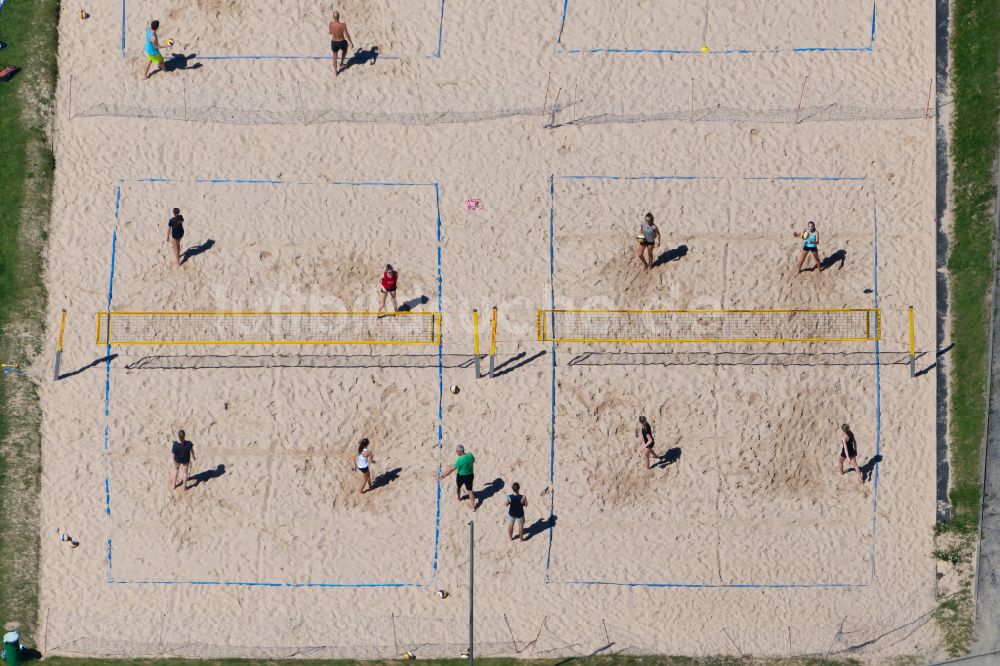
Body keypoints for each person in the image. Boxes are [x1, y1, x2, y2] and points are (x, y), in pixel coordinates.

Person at [438, 444, 476, 511]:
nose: (457, 453)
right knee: (470, 491)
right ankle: (473, 507)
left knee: (458, 487)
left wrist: (442, 477)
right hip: (470, 475)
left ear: (460, 451)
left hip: (461, 476)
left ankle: (459, 498)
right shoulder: (470, 455)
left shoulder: (460, 459)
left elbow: (451, 470)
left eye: (457, 451)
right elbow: (473, 460)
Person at [329, 11, 354, 76]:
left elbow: (330, 32)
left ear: (333, 17)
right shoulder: (343, 25)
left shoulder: (331, 24)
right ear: (339, 17)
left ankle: (335, 72)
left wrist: (334, 31)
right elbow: (347, 34)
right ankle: (342, 62)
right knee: (345, 49)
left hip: (334, 42)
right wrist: (350, 42)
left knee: (334, 56)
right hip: (341, 41)